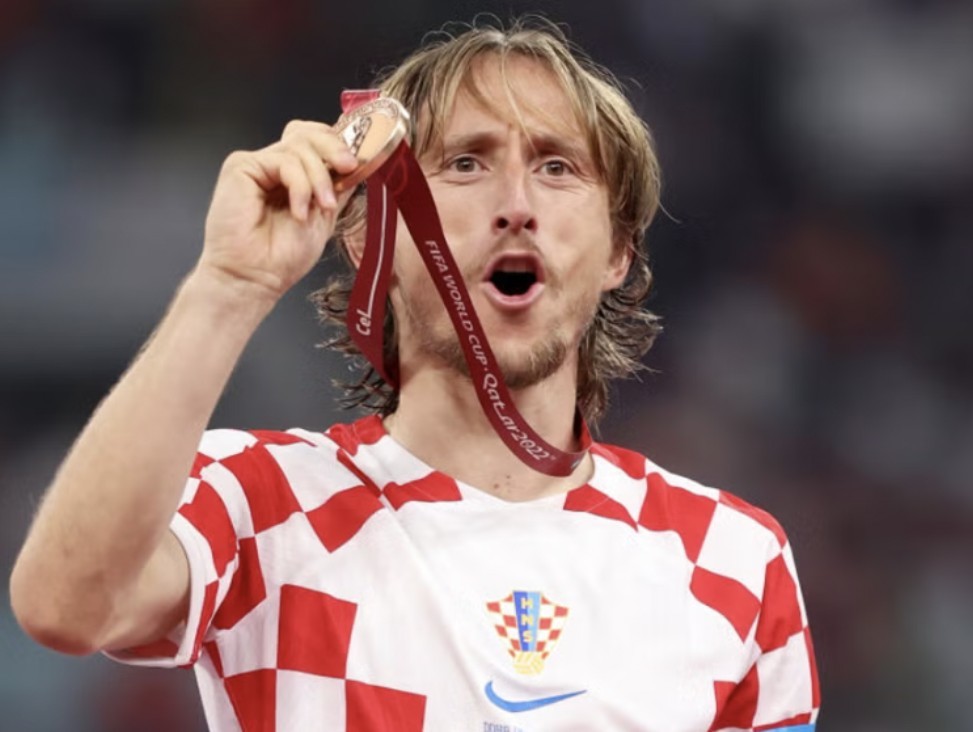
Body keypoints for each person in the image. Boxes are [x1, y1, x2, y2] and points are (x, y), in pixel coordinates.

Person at [9, 17, 820, 732]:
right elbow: (65, 607)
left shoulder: (733, 560)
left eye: (557, 167)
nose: (516, 204)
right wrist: (230, 285)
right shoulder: (263, 501)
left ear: (618, 253)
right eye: (465, 163)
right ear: (369, 238)